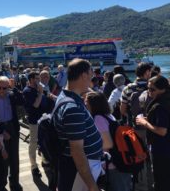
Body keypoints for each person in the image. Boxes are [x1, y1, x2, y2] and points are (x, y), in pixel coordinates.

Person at [54, 58, 102, 191]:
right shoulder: (72, 108)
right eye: (91, 73)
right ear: (84, 75)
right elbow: (77, 151)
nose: (92, 77)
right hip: (77, 173)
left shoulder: (64, 96)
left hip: (74, 168)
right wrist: (92, 186)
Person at [136, 76, 170, 191]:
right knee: (167, 176)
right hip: (169, 145)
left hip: (160, 147)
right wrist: (149, 119)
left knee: (160, 179)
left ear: (162, 89)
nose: (149, 92)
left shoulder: (160, 106)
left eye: (152, 89)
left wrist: (144, 122)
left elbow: (162, 131)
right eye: (148, 89)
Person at [85, 92, 131, 191]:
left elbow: (107, 144)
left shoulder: (98, 119)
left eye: (86, 102)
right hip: (120, 160)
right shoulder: (109, 115)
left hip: (112, 164)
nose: (85, 104)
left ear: (93, 104)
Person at [0, 76, 24, 191]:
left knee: (14, 157)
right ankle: (1, 184)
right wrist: (1, 131)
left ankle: (14, 183)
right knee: (2, 158)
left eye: (4, 88)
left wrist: (14, 89)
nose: (1, 91)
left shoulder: (11, 95)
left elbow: (22, 101)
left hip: (12, 126)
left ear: (8, 87)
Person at [23, 71, 45, 177]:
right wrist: (40, 93)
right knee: (33, 143)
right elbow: (35, 105)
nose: (39, 80)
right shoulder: (27, 91)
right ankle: (33, 166)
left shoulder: (37, 89)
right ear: (31, 79)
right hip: (34, 121)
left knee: (43, 141)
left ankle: (45, 161)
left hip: (42, 119)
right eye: (37, 78)